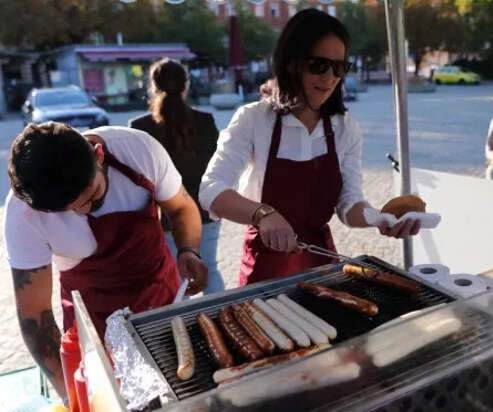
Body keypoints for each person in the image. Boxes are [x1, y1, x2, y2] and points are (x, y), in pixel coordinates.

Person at [199, 9, 421, 286]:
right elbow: (211, 189)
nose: (330, 78)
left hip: (321, 268)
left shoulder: (345, 129)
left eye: (339, 68)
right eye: (319, 65)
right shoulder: (254, 119)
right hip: (264, 271)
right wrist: (262, 213)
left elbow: (349, 204)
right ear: (292, 63)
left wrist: (380, 218)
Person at [4, 122, 207, 399]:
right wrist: (74, 396)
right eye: (68, 210)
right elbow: (35, 318)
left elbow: (182, 208)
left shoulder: (138, 150)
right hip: (94, 340)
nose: (82, 210)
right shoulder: (22, 213)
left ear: (98, 154)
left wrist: (188, 251)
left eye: (91, 196)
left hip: (165, 312)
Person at [129, 58, 224, 294]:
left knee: (174, 276)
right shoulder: (205, 121)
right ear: (186, 86)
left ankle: (181, 328)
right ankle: (221, 320)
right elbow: (216, 167)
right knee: (209, 268)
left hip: (165, 215)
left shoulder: (139, 127)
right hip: (204, 210)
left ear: (153, 87)